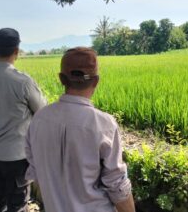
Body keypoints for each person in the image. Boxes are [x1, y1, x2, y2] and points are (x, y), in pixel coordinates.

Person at [25, 47, 135, 212]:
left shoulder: (39, 119)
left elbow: (34, 168)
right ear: (96, 81)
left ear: (62, 79)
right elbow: (117, 184)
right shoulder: (104, 124)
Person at [0, 28, 47, 212]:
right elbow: (43, 112)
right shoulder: (22, 82)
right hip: (18, 156)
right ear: (17, 50)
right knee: (18, 203)